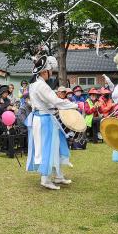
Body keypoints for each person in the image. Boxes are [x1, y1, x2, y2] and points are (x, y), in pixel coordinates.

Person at [26, 52, 79, 190]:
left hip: (44, 118)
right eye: (50, 70)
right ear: (44, 72)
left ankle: (58, 175)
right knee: (47, 148)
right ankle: (46, 179)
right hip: (44, 120)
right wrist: (74, 105)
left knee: (57, 145)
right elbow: (55, 101)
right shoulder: (40, 86)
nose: (52, 72)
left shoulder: (35, 84)